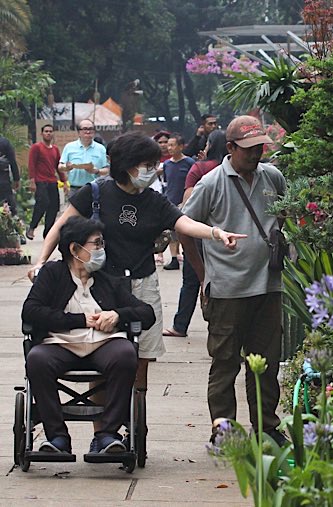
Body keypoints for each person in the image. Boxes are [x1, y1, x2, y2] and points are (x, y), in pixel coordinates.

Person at [29, 131, 246, 397]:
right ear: (129, 166)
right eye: (148, 165)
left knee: (142, 354)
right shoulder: (96, 192)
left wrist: (215, 233)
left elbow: (184, 223)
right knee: (101, 355)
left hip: (143, 284)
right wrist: (40, 262)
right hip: (104, 285)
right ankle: (103, 433)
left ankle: (135, 418)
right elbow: (60, 227)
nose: (153, 170)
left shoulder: (154, 201)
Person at [182, 116, 287, 445]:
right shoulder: (212, 183)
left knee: (266, 364)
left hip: (268, 286)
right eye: (248, 149)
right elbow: (184, 226)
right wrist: (202, 274)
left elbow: (284, 216)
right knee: (226, 361)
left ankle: (267, 428)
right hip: (227, 290)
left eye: (260, 148)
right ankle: (223, 429)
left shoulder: (273, 177)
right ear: (230, 148)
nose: (256, 154)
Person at [22, 216, 155, 455]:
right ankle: (57, 438)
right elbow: (30, 311)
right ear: (75, 249)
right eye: (97, 243)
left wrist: (116, 315)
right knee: (37, 359)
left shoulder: (107, 277)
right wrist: (79, 320)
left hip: (104, 344)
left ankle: (107, 435)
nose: (102, 249)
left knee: (125, 354)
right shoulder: (53, 273)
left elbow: (147, 313)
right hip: (60, 343)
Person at [162, 131, 226, 338]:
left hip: (198, 233)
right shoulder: (234, 169)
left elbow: (188, 200)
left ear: (209, 145)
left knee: (191, 280)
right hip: (226, 235)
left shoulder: (200, 168)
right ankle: (221, 328)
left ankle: (180, 326)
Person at [160, 134, 193, 271]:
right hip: (171, 200)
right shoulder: (167, 164)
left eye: (173, 145)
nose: (169, 148)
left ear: (181, 146)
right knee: (172, 232)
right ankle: (174, 258)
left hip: (186, 201)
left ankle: (189, 256)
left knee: (185, 231)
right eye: (168, 145)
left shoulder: (189, 163)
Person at [26, 125, 64, 240]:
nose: (48, 133)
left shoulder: (55, 149)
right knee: (42, 203)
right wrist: (32, 181)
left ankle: (48, 233)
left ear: (53, 134)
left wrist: (64, 181)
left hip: (52, 181)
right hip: (40, 181)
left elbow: (58, 166)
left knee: (54, 207)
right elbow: (31, 164)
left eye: (50, 131)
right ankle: (32, 227)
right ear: (41, 134)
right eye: (46, 131)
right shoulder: (36, 147)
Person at [59, 120, 108, 198]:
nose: (88, 131)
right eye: (85, 129)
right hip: (75, 189)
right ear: (79, 132)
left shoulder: (101, 148)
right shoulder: (69, 147)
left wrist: (97, 171)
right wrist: (67, 167)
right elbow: (60, 167)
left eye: (91, 129)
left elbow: (107, 169)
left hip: (94, 188)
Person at [0, 134, 21, 216]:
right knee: (8, 206)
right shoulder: (5, 142)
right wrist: (16, 179)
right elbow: (12, 162)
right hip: (3, 180)